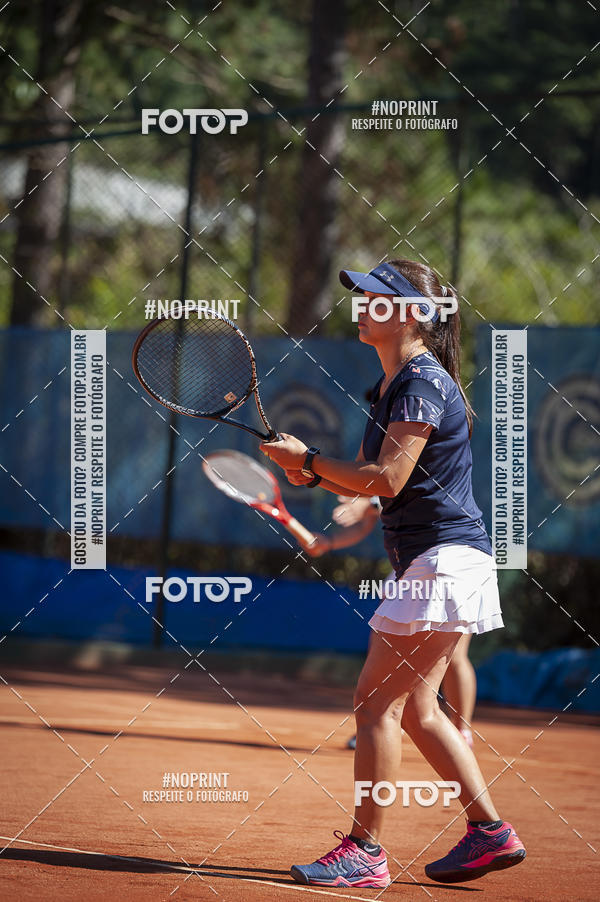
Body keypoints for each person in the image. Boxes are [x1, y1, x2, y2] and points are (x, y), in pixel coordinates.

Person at [260, 259, 526, 888]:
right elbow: (367, 484)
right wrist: (310, 470)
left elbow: (388, 478)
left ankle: (364, 851)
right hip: (446, 560)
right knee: (418, 712)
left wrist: (315, 460)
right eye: (360, 295)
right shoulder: (389, 388)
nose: (362, 305)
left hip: (442, 559)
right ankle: (490, 832)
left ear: (412, 314)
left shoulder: (417, 384)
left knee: (375, 705)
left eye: (377, 297)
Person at [309, 495, 476, 749]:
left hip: (453, 558)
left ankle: (460, 731)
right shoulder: (374, 464)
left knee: (454, 655)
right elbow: (363, 521)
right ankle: (382, 723)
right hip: (414, 564)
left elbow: (405, 493)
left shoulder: (425, 460)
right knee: (382, 642)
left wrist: (370, 503)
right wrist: (329, 542)